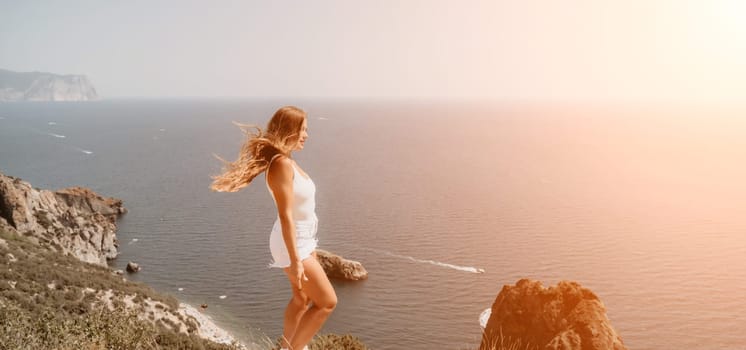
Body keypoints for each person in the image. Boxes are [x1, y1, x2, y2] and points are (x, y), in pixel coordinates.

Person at [210, 106, 337, 350]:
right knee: (327, 302)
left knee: (302, 300)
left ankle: (286, 345)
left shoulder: (287, 161)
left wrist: (307, 249)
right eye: (302, 130)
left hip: (305, 240)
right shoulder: (282, 165)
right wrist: (296, 259)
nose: (306, 135)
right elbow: (285, 214)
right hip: (293, 242)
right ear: (288, 130)